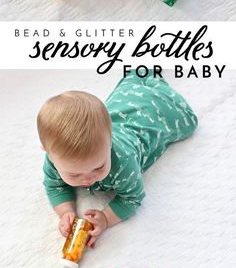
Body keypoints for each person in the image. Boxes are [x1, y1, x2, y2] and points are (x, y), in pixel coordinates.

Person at [37, 71, 198, 247]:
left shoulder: (123, 162)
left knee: (188, 121)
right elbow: (54, 185)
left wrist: (106, 218)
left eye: (99, 167)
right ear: (48, 153)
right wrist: (65, 211)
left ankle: (154, 85)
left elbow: (132, 198)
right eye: (74, 175)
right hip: (122, 105)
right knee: (127, 90)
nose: (88, 179)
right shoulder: (55, 158)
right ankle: (140, 78)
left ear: (109, 143)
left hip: (152, 115)